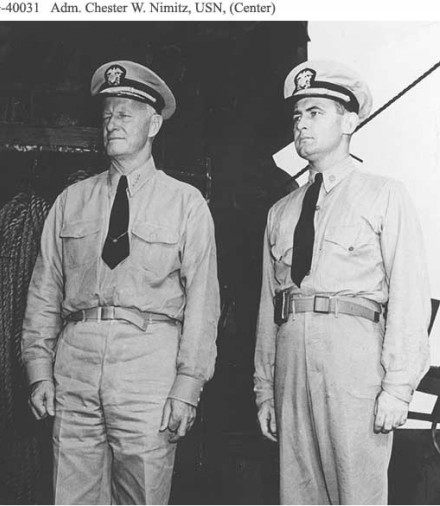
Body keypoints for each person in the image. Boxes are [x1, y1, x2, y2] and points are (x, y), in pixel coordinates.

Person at [22, 60, 220, 504]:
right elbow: (44, 293)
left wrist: (188, 387)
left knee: (143, 496)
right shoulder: (70, 202)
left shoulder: (186, 204)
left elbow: (204, 304)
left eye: (125, 114)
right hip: (75, 366)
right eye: (107, 114)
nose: (112, 123)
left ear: (153, 124)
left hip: (148, 367)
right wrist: (39, 372)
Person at [254, 59, 431, 504]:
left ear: (350, 121)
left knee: (357, 494)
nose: (301, 125)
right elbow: (268, 308)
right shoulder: (282, 211)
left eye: (315, 112)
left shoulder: (384, 194)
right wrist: (265, 390)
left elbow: (410, 296)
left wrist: (398, 387)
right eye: (297, 115)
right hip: (292, 363)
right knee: (298, 494)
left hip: (354, 363)